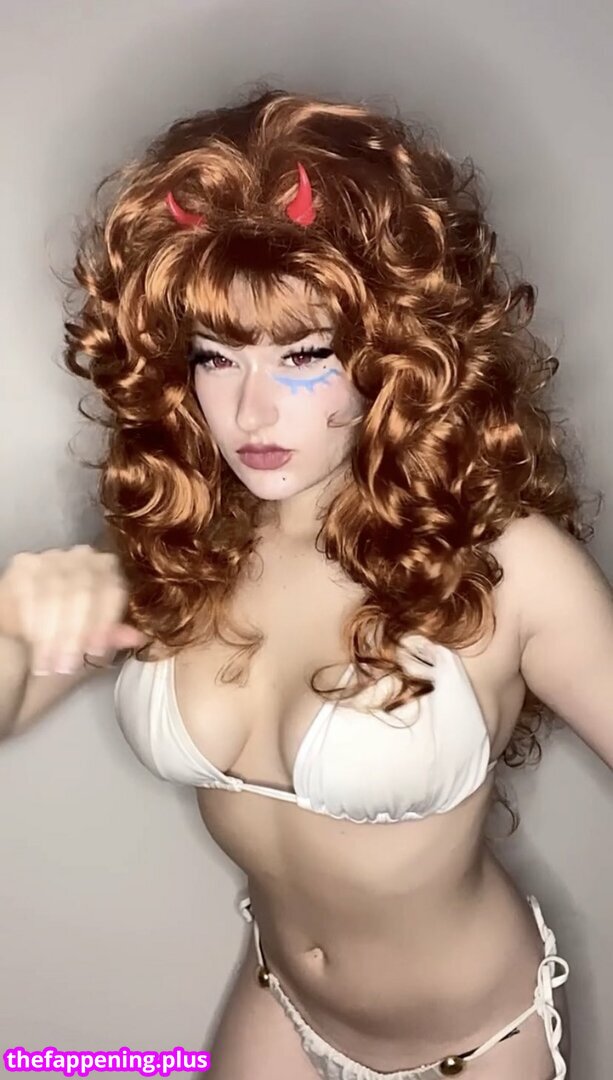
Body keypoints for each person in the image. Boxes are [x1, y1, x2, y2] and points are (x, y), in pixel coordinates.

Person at [3, 83, 613, 1080]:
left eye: (303, 355)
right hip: (276, 1005)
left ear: (391, 355)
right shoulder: (182, 549)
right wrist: (10, 630)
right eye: (215, 357)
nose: (252, 412)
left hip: (471, 1047)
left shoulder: (506, 566)